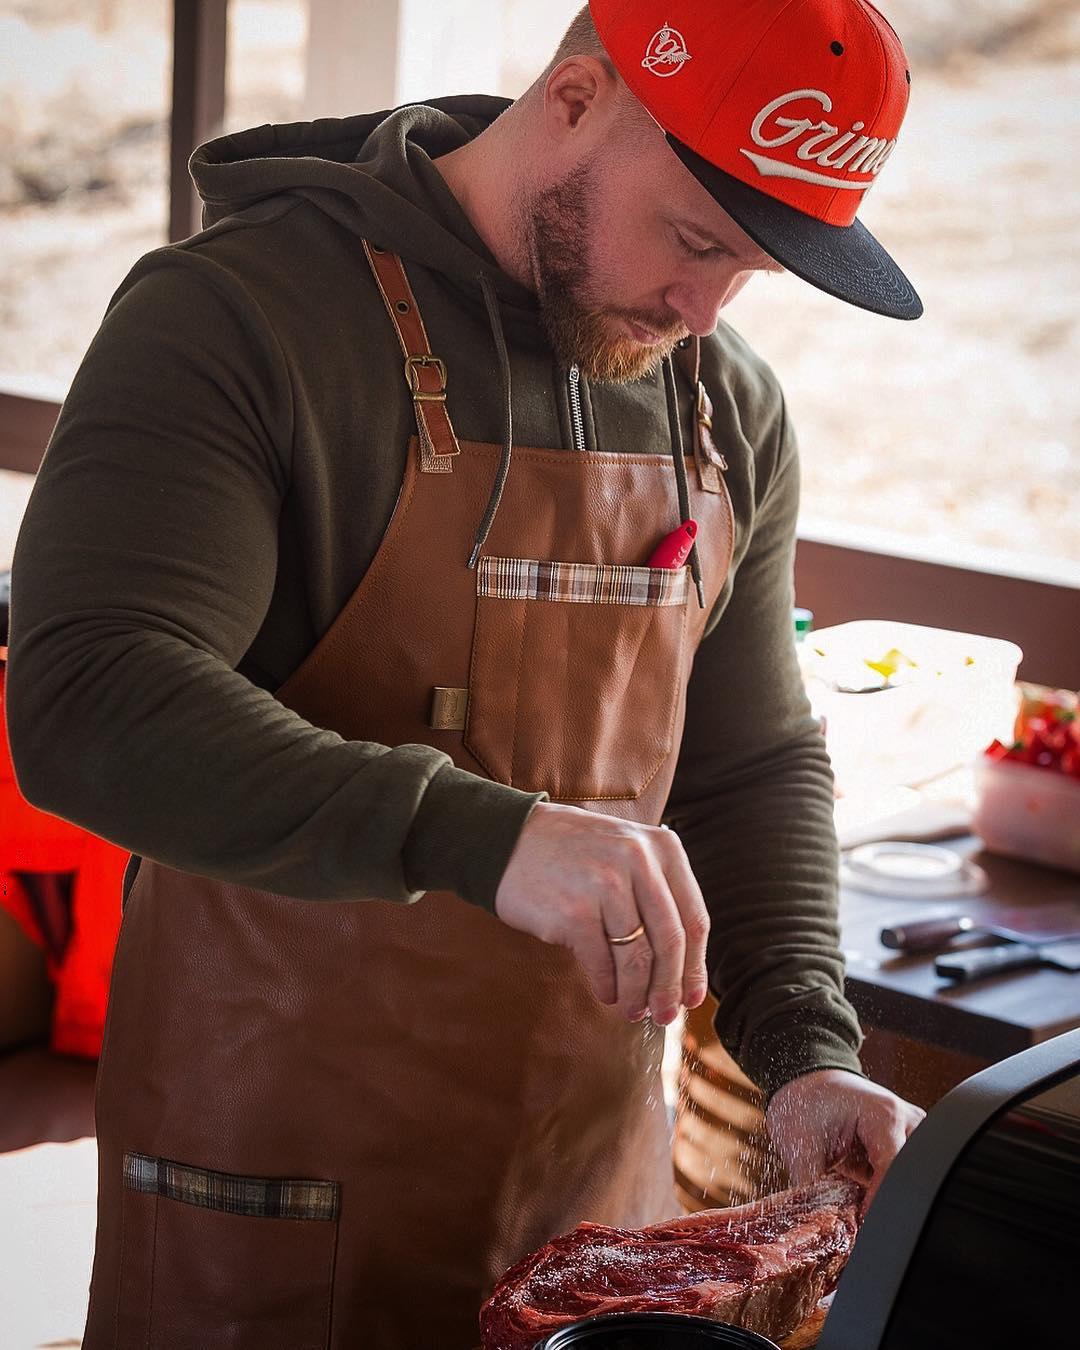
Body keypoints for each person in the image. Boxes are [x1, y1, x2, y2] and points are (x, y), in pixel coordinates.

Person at [7, 1, 925, 1345]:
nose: (703, 308)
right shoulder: (239, 316)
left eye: (751, 273)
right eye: (695, 238)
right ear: (571, 102)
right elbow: (87, 697)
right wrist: (479, 833)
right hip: (264, 1191)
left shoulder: (724, 406)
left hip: (586, 1207)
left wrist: (806, 1048)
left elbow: (750, 759)